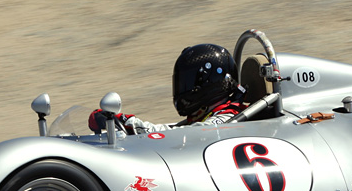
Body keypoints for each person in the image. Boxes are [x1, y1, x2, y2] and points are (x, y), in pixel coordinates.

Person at [89, 43, 248, 135]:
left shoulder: (227, 119)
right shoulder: (207, 116)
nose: (183, 88)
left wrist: (129, 124)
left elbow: (183, 135)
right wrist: (123, 122)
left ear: (209, 83)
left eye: (189, 82)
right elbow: (174, 130)